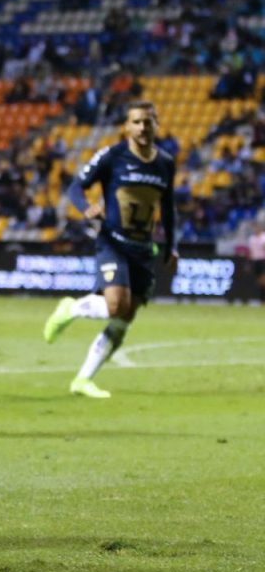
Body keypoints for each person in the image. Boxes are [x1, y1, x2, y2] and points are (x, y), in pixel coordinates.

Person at [43, 100, 178, 397]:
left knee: (124, 318)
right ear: (127, 127)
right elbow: (76, 187)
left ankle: (82, 380)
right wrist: (86, 207)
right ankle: (72, 308)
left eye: (148, 122)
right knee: (116, 305)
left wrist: (172, 246)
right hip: (113, 243)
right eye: (137, 121)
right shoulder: (112, 156)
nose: (142, 127)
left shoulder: (166, 163)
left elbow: (168, 208)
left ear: (156, 125)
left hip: (144, 249)